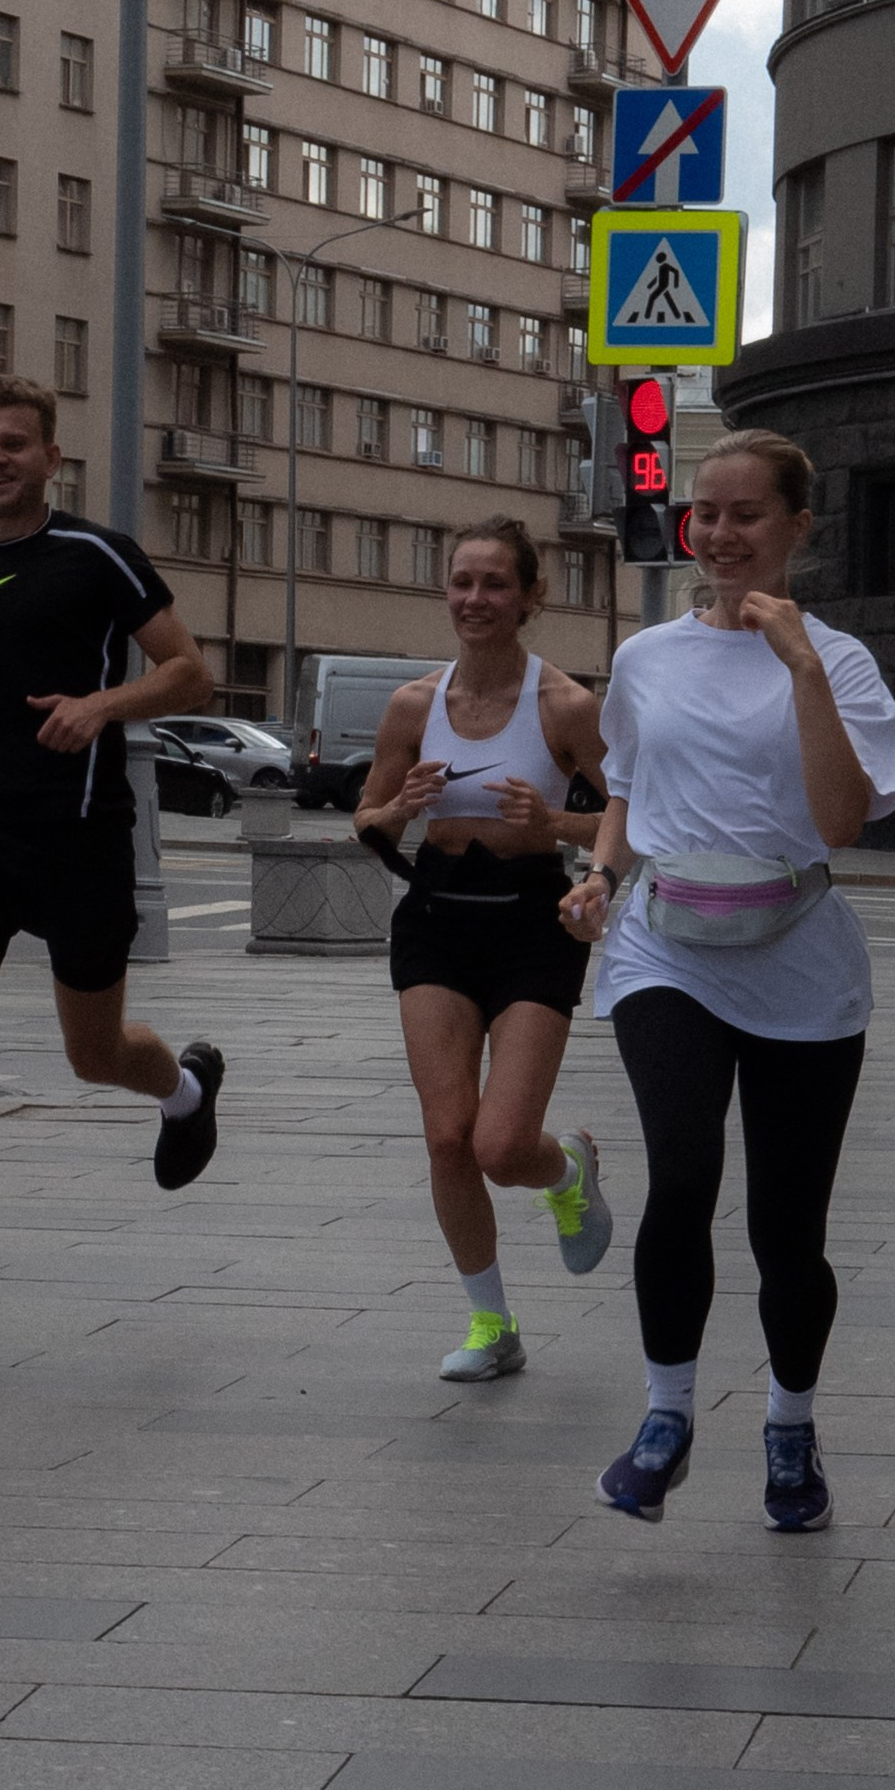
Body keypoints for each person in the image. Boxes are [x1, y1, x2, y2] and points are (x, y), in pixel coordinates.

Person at [559, 430, 895, 1534]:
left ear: (797, 527)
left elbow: (845, 819)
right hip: (665, 947)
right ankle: (664, 1417)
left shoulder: (840, 662)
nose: (715, 534)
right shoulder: (646, 656)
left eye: (744, 514)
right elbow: (626, 782)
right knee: (683, 1171)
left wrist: (801, 664)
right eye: (703, 513)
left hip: (799, 957)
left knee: (785, 1231)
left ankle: (790, 1426)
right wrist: (602, 874)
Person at [0, 376, 224, 1350]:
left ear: (49, 457)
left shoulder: (99, 556)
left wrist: (99, 707)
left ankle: (186, 1091)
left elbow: (190, 669)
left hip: (81, 833)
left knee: (93, 1052)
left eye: (14, 444)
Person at [353, 519, 614, 1380]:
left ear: (532, 596)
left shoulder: (565, 707)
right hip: (436, 916)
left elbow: (632, 813)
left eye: (495, 584)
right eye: (462, 582)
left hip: (531, 922)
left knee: (503, 1147)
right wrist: (397, 812)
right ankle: (491, 1325)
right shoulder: (414, 706)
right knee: (446, 1137)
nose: (475, 599)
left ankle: (567, 1167)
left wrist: (557, 825)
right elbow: (368, 816)